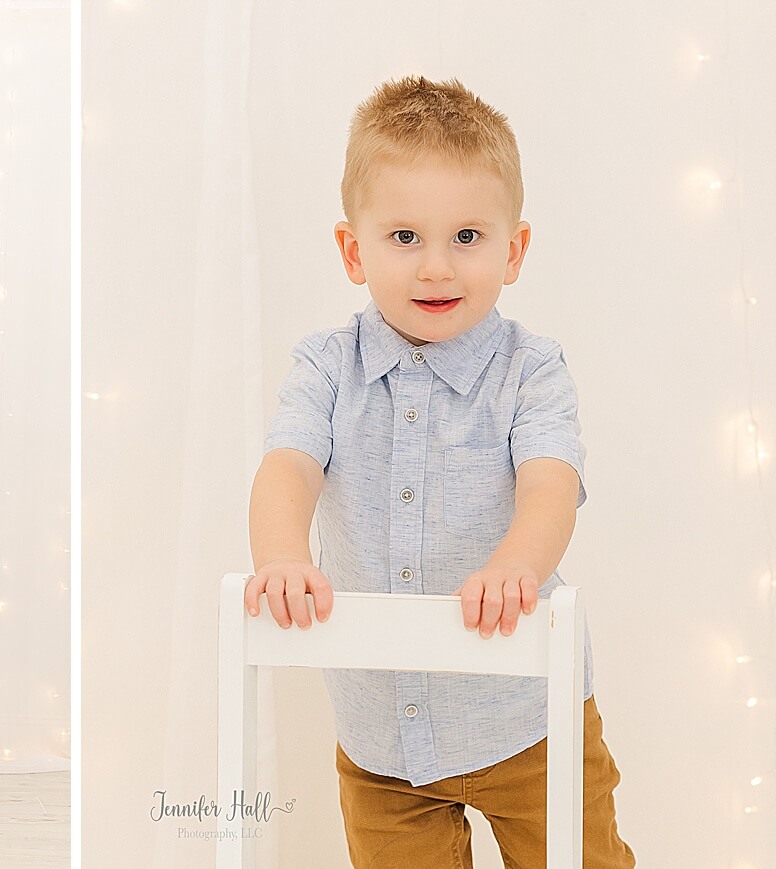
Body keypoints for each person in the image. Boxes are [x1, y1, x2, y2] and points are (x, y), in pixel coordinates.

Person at [243, 77, 634, 866]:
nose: (436, 268)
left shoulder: (532, 369)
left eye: (466, 237)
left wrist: (517, 565)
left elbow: (551, 480)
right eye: (403, 237)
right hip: (382, 738)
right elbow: (288, 463)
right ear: (354, 250)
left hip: (527, 717)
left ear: (513, 249)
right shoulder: (326, 365)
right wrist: (282, 554)